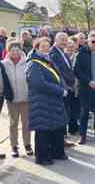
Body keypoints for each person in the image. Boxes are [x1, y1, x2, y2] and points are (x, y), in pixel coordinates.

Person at [26, 37, 68, 165]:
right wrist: (60, 90)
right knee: (43, 130)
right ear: (36, 48)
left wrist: (63, 86)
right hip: (41, 102)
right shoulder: (34, 63)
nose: (45, 48)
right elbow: (39, 84)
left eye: (47, 46)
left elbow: (58, 76)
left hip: (52, 101)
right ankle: (42, 157)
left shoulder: (47, 60)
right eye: (42, 46)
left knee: (56, 128)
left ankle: (56, 152)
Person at [2, 41, 33, 157]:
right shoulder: (3, 64)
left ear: (21, 50)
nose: (15, 52)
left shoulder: (27, 63)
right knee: (13, 123)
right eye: (12, 50)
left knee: (26, 123)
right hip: (12, 99)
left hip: (26, 98)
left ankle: (27, 144)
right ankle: (14, 146)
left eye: (17, 50)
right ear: (8, 51)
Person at [49, 32, 76, 147]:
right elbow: (58, 72)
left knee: (65, 114)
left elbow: (69, 70)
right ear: (55, 40)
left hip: (68, 88)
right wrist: (66, 86)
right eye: (61, 39)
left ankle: (62, 139)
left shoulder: (63, 53)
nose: (64, 42)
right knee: (61, 115)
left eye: (65, 40)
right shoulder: (53, 53)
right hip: (61, 89)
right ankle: (60, 141)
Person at [64, 38, 80, 135]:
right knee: (66, 109)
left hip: (76, 86)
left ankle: (73, 127)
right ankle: (64, 130)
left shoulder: (77, 57)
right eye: (68, 47)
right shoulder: (63, 57)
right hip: (66, 86)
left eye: (72, 47)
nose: (70, 49)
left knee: (75, 108)